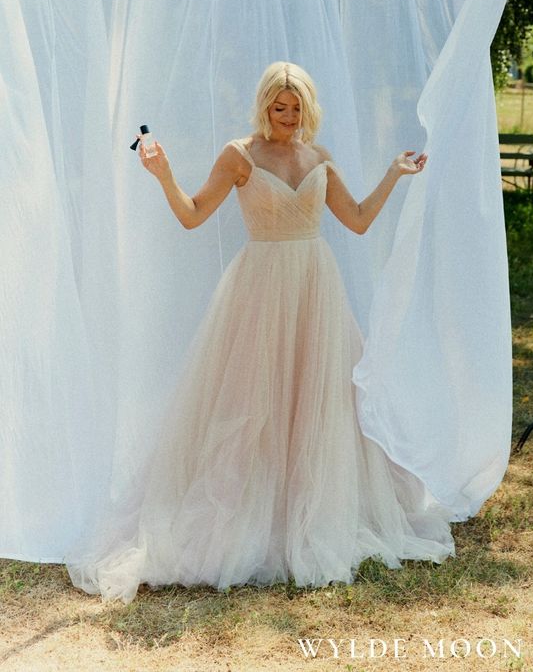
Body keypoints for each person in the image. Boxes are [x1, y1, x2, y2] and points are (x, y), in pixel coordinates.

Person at [66, 61, 455, 602]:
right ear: (264, 105)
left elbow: (360, 219)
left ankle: (310, 510)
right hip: (260, 291)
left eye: (296, 108)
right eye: (279, 107)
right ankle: (251, 516)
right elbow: (193, 214)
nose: (289, 117)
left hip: (316, 289)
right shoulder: (239, 155)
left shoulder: (319, 157)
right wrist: (163, 175)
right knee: (253, 406)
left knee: (318, 405)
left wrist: (394, 173)